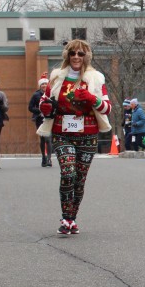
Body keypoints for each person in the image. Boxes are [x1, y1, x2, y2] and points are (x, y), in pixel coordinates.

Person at [37, 39, 112, 235]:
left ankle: (72, 219)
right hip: (62, 133)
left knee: (79, 179)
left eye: (80, 53)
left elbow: (107, 108)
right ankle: (65, 217)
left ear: (87, 56)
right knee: (68, 172)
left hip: (88, 135)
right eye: (72, 53)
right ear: (67, 55)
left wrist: (92, 98)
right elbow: (43, 102)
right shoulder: (56, 77)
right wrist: (45, 108)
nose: (76, 57)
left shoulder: (96, 78)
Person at [28, 73, 53, 167]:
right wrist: (40, 110)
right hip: (39, 118)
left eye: (46, 84)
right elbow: (30, 107)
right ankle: (44, 157)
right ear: (40, 85)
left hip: (49, 118)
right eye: (42, 84)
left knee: (48, 138)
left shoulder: (52, 93)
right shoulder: (36, 95)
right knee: (42, 138)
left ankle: (49, 159)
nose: (44, 86)